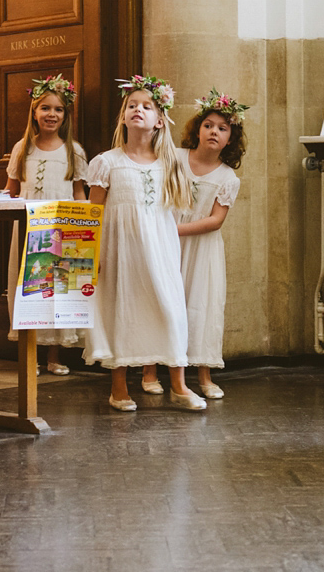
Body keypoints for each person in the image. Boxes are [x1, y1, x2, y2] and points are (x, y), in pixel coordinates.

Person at [83, 75, 206, 411]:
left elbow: (172, 209)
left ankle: (179, 386)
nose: (138, 109)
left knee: (170, 311)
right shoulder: (107, 162)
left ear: (159, 121)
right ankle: (119, 387)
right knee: (123, 312)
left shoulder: (170, 163)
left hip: (160, 250)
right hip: (121, 251)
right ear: (124, 117)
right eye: (132, 105)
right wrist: (91, 256)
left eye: (147, 106)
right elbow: (93, 214)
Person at [159, 88, 247, 399]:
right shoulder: (175, 159)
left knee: (201, 306)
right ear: (197, 128)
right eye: (208, 124)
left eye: (223, 128)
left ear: (230, 139)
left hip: (201, 250)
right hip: (166, 246)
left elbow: (215, 220)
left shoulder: (227, 178)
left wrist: (175, 231)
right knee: (162, 302)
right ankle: (149, 370)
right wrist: (165, 232)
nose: (214, 132)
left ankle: (204, 374)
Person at [6, 74, 87, 375]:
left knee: (57, 289)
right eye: (45, 108)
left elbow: (79, 193)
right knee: (30, 288)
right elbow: (11, 190)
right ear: (34, 113)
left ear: (65, 116)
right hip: (29, 227)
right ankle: (31, 357)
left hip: (61, 228)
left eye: (58, 109)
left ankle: (55, 356)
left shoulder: (73, 151)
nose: (52, 114)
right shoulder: (22, 148)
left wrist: (87, 231)